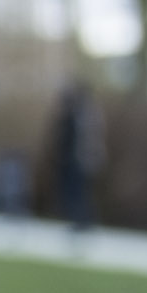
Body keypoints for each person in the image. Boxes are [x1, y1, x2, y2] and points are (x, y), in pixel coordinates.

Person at [48, 80, 106, 232]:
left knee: (80, 192)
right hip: (76, 159)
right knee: (76, 192)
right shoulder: (78, 112)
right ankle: (79, 220)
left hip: (81, 160)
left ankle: (83, 222)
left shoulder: (87, 113)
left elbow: (88, 139)